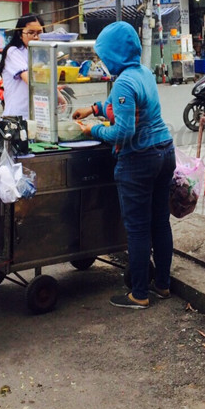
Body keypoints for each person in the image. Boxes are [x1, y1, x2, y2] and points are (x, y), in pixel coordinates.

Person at [72, 21, 175, 309]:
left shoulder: (123, 83)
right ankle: (163, 285)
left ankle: (139, 294)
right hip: (164, 151)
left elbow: (123, 132)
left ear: (114, 54)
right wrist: (93, 108)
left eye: (104, 56)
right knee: (160, 222)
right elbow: (123, 107)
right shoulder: (143, 72)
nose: (103, 62)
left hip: (139, 159)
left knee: (138, 229)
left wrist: (92, 129)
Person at [0, 14, 44, 118]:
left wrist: (58, 94)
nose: (36, 37)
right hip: (17, 115)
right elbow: (29, 79)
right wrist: (52, 89)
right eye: (31, 33)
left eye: (39, 33)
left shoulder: (39, 53)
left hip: (37, 113)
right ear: (20, 34)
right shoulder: (13, 52)